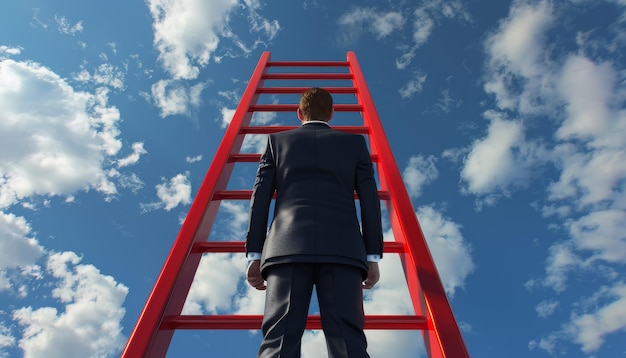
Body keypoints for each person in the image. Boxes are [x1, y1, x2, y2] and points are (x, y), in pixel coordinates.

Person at [245, 87, 384, 358]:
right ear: (332, 113)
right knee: (348, 341)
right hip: (344, 250)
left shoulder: (276, 142)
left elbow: (259, 198)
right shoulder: (354, 144)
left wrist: (255, 254)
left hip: (285, 249)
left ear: (299, 113)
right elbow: (370, 201)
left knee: (279, 340)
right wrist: (372, 255)